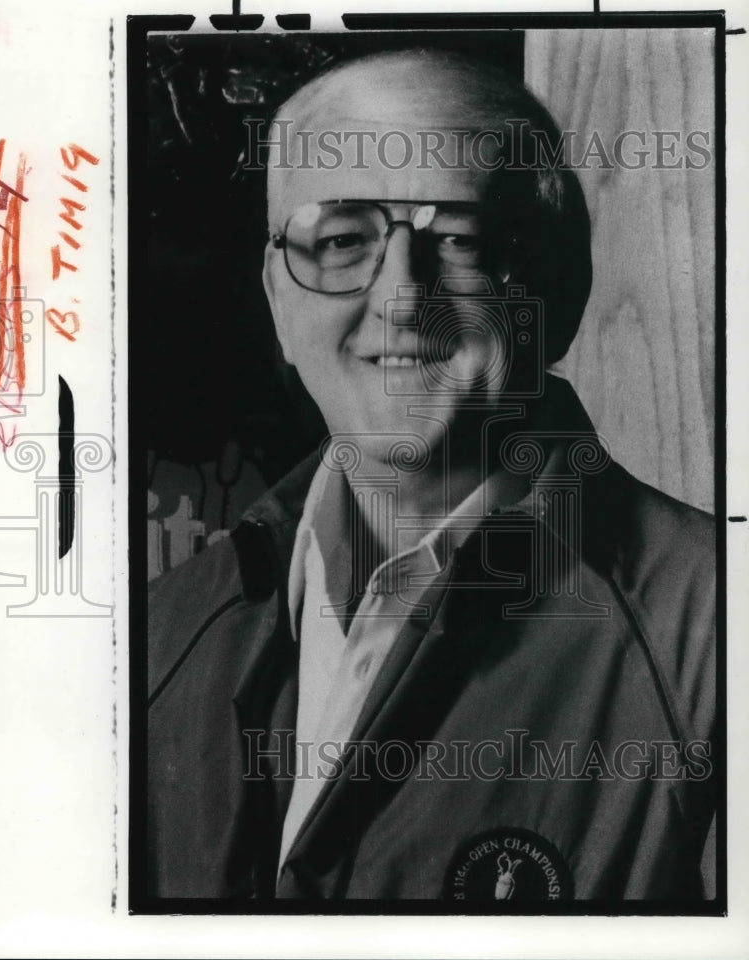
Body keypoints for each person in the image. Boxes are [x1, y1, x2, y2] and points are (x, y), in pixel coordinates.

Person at [147, 49, 716, 902]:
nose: (404, 297)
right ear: (278, 299)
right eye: (341, 240)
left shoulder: (716, 639)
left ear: (561, 289)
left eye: (461, 240)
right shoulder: (163, 630)